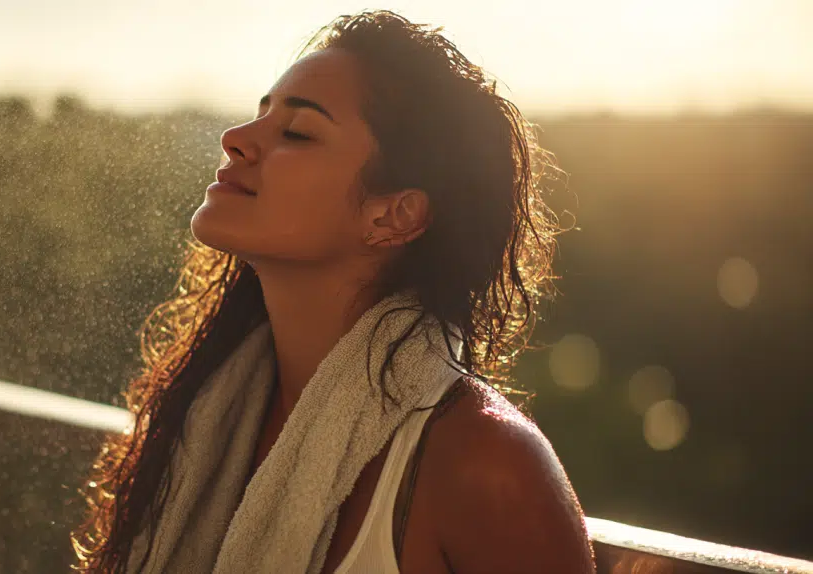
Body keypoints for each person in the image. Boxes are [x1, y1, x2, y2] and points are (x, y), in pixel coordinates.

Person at [74, 9, 595, 574]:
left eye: (296, 132)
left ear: (394, 215)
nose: (235, 140)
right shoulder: (204, 412)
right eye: (260, 115)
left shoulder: (486, 463)